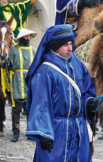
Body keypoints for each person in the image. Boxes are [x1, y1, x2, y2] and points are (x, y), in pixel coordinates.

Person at [25, 25, 97, 161]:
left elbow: (87, 89)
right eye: (65, 45)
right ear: (54, 47)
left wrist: (89, 102)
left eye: (71, 44)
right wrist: (44, 134)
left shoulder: (78, 64)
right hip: (56, 132)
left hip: (78, 130)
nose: (70, 48)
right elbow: (41, 106)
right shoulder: (44, 71)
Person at [7, 28, 37, 142]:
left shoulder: (34, 51)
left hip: (30, 81)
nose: (28, 38)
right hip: (17, 80)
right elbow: (8, 65)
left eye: (29, 36)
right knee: (16, 108)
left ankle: (31, 131)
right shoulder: (13, 50)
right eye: (26, 36)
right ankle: (16, 132)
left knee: (30, 108)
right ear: (21, 38)